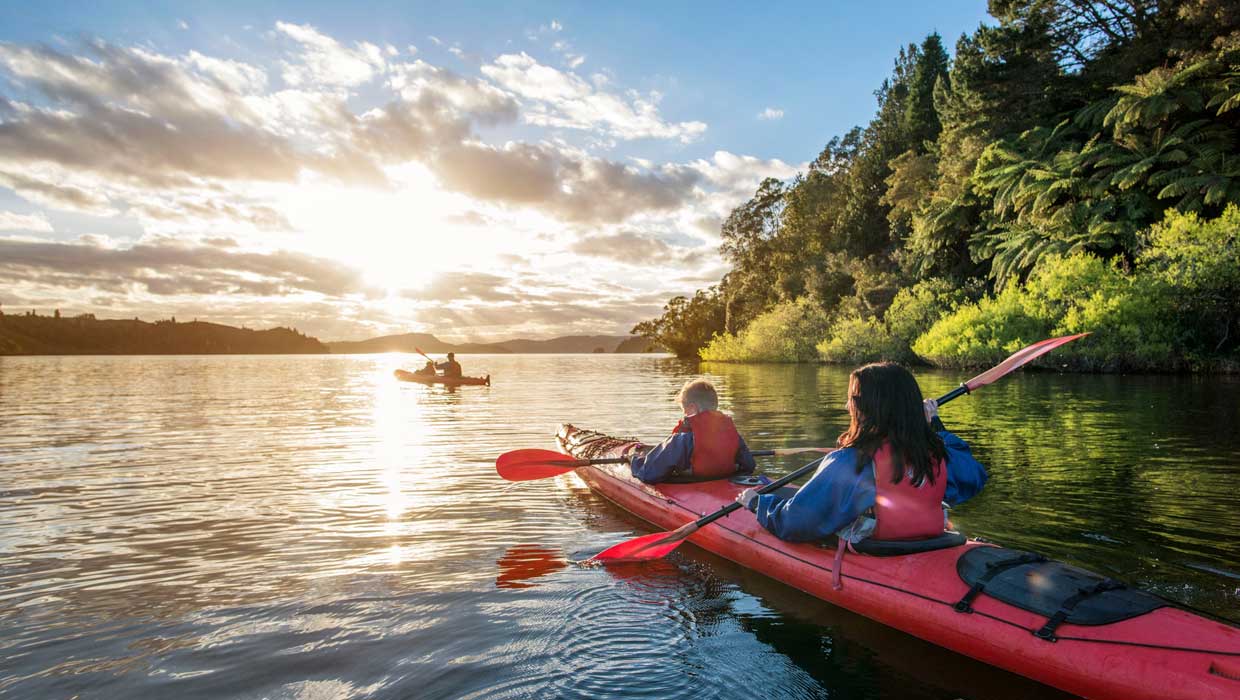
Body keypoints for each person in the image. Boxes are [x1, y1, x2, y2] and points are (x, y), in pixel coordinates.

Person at [736, 362, 987, 545]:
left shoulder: (850, 462)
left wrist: (757, 503)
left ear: (869, 408)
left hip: (877, 550)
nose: (847, 406)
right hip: (931, 543)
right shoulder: (935, 453)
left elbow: (795, 523)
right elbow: (973, 476)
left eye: (853, 399)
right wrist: (933, 426)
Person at [628, 379, 757, 483]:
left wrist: (634, 459)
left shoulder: (681, 440)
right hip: (724, 487)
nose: (683, 414)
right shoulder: (732, 434)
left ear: (692, 408)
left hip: (695, 487)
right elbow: (749, 465)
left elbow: (648, 474)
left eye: (684, 410)